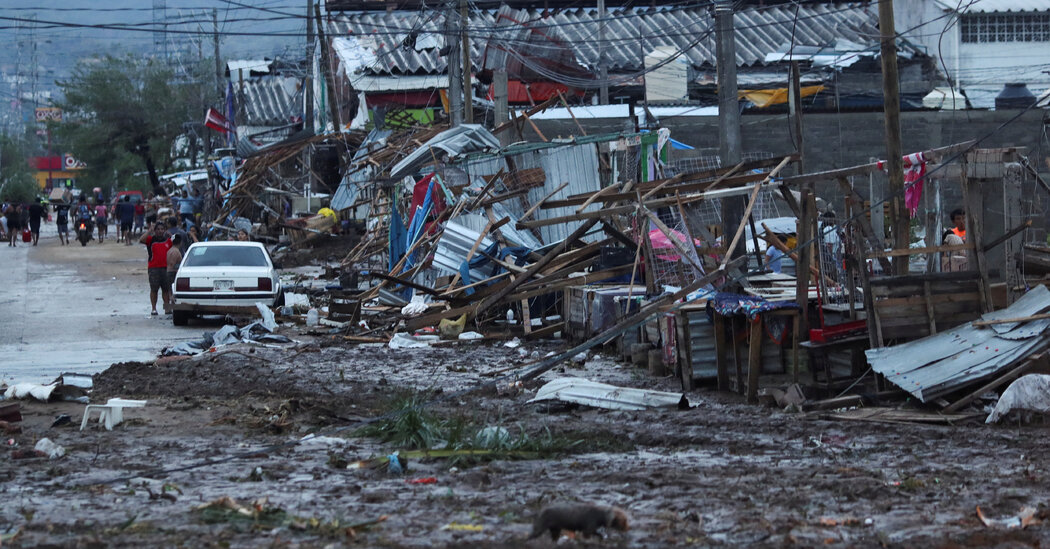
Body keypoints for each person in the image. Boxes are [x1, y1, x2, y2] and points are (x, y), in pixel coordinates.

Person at [140, 222, 173, 316]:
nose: (160, 231)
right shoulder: (151, 240)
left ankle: (167, 308)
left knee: (166, 289)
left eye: (162, 229)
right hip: (154, 268)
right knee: (154, 289)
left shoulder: (168, 240)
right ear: (155, 231)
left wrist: (170, 234)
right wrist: (149, 231)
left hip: (166, 268)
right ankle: (154, 309)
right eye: (158, 229)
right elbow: (141, 239)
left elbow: (177, 241)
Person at [167, 233, 183, 299]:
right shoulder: (176, 251)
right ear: (180, 242)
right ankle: (172, 306)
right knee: (172, 292)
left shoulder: (170, 250)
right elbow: (172, 264)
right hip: (172, 273)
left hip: (169, 272)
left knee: (170, 291)